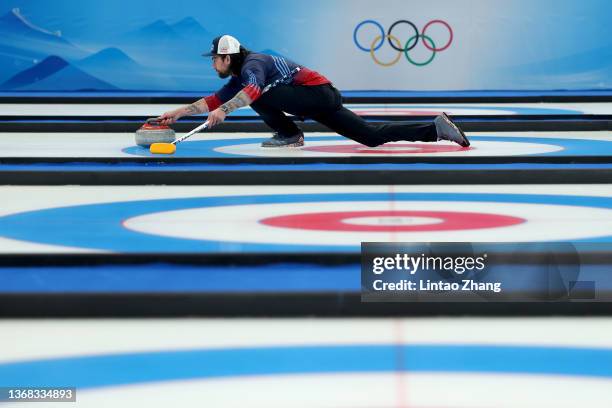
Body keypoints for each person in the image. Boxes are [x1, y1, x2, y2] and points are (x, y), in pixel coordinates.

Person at [158, 34, 470, 148]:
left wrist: (224, 111)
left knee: (258, 94)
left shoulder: (253, 66)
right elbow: (214, 99)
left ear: (227, 58)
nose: (213, 65)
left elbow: (249, 91)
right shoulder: (240, 74)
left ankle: (290, 134)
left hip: (318, 94)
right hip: (320, 99)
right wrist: (179, 113)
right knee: (371, 137)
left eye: (215, 60)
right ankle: (436, 129)